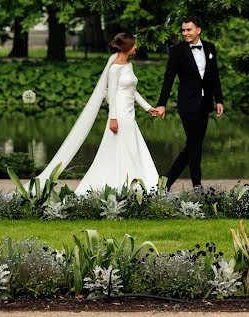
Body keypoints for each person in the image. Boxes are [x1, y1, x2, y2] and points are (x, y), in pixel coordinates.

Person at [35, 32, 160, 195]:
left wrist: (148, 107)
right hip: (120, 113)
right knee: (125, 146)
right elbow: (113, 94)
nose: (136, 47)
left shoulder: (129, 65)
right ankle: (125, 183)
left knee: (132, 146)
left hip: (130, 113)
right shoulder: (114, 68)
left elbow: (133, 91)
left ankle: (133, 181)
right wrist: (113, 118)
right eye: (134, 45)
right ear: (127, 48)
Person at [154, 16, 225, 190]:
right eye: (183, 30)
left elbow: (214, 75)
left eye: (189, 30)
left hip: (205, 103)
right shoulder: (177, 51)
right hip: (187, 104)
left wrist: (219, 99)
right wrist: (162, 103)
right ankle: (196, 185)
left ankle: (166, 182)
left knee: (194, 145)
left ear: (198, 30)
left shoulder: (210, 48)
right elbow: (168, 78)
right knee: (194, 144)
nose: (185, 33)